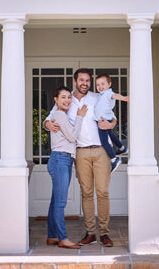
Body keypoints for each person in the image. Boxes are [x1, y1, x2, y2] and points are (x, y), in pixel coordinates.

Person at [44, 68, 117, 247]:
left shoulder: (97, 97)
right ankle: (90, 233)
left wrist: (111, 124)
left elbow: (113, 118)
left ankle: (105, 233)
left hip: (100, 150)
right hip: (80, 152)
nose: (85, 83)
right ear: (75, 81)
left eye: (88, 80)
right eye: (81, 80)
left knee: (102, 192)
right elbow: (50, 118)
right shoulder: (66, 99)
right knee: (86, 193)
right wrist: (47, 124)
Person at [46, 86, 88, 249]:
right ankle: (63, 238)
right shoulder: (59, 114)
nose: (67, 100)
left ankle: (52, 236)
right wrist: (79, 117)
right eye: (63, 97)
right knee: (61, 202)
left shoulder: (58, 115)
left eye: (69, 97)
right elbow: (72, 137)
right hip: (60, 159)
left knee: (55, 201)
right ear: (55, 100)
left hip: (62, 159)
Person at [93, 74, 129, 172]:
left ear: (109, 84)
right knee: (111, 135)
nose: (100, 87)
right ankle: (122, 148)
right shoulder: (101, 95)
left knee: (104, 141)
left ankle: (114, 160)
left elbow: (115, 95)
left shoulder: (109, 93)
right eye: (98, 85)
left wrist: (124, 98)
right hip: (105, 119)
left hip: (103, 121)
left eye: (103, 84)